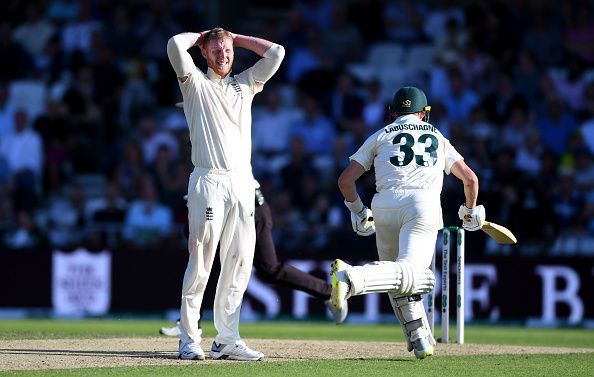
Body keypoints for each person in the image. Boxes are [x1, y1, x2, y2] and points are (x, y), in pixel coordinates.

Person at [331, 86, 485, 359]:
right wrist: (470, 212)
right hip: (421, 206)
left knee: (399, 278)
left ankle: (419, 338)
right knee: (419, 276)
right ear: (424, 113)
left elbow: (345, 181)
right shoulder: (437, 136)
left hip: (383, 207)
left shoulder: (379, 135)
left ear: (392, 113)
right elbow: (470, 179)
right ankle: (350, 278)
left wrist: (358, 212)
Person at [166, 28, 284, 361]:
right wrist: (204, 35)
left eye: (227, 50)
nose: (223, 55)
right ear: (203, 52)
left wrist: (234, 37)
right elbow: (175, 44)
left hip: (243, 183)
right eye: (216, 50)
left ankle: (226, 339)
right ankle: (189, 338)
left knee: (240, 262)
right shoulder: (193, 83)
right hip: (209, 180)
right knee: (202, 262)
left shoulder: (245, 84)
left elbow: (276, 53)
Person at [159, 182, 348, 335]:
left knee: (269, 269)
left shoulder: (216, 155)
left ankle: (328, 292)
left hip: (251, 209)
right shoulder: (204, 164)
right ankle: (190, 322)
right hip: (234, 208)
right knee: (212, 264)